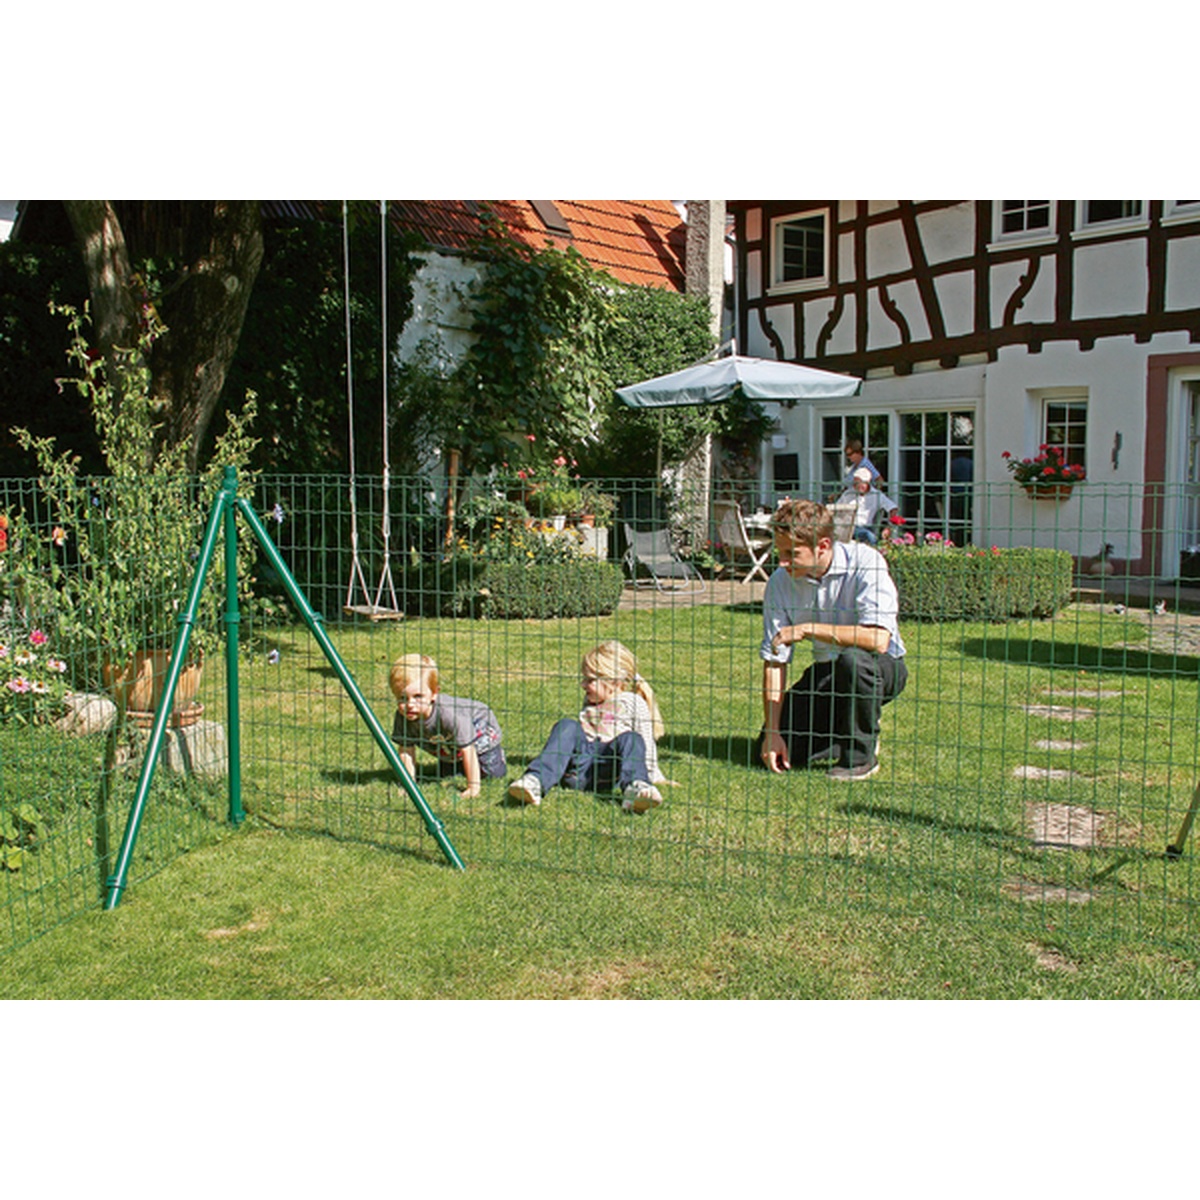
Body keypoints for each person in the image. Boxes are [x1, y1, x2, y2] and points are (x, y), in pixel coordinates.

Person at [756, 498, 907, 781]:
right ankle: (845, 732)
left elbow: (878, 640)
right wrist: (773, 733)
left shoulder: (866, 562)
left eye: (792, 553)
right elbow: (775, 661)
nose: (782, 562)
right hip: (828, 671)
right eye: (780, 552)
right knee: (774, 752)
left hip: (880, 666)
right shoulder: (779, 582)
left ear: (823, 545)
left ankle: (860, 758)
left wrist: (807, 629)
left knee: (854, 661)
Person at [508, 640, 670, 814]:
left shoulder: (632, 702)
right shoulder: (591, 700)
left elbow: (645, 742)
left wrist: (654, 775)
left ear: (614, 682)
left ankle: (636, 787)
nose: (583, 685)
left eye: (590, 680)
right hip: (577, 772)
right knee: (567, 725)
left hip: (607, 771)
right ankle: (535, 781)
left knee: (632, 739)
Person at [390, 653, 506, 798]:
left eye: (418, 696)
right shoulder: (403, 717)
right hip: (451, 741)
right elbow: (406, 751)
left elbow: (468, 750)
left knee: (492, 773)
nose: (410, 705)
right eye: (402, 698)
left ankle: (496, 756)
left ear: (434, 693)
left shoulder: (448, 714)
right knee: (447, 773)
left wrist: (473, 788)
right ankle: (457, 763)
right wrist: (409, 785)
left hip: (480, 729)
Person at [835, 466, 898, 544]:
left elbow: (893, 508)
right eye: (855, 483)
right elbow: (836, 508)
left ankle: (875, 550)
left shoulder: (876, 495)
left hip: (866, 527)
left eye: (860, 483)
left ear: (867, 483)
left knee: (868, 535)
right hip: (847, 527)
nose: (856, 485)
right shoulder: (848, 493)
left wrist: (889, 527)